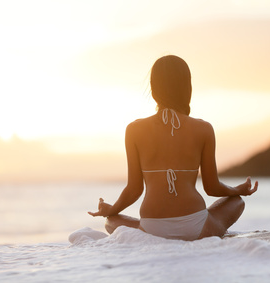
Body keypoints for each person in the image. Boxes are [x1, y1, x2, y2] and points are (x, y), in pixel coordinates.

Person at [88, 55, 258, 241]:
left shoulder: (134, 130)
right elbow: (212, 187)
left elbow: (134, 190)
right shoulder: (204, 128)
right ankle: (206, 231)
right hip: (197, 227)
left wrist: (111, 210)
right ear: (187, 87)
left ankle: (140, 230)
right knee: (236, 202)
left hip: (151, 228)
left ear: (153, 88)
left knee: (110, 221)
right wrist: (237, 190)